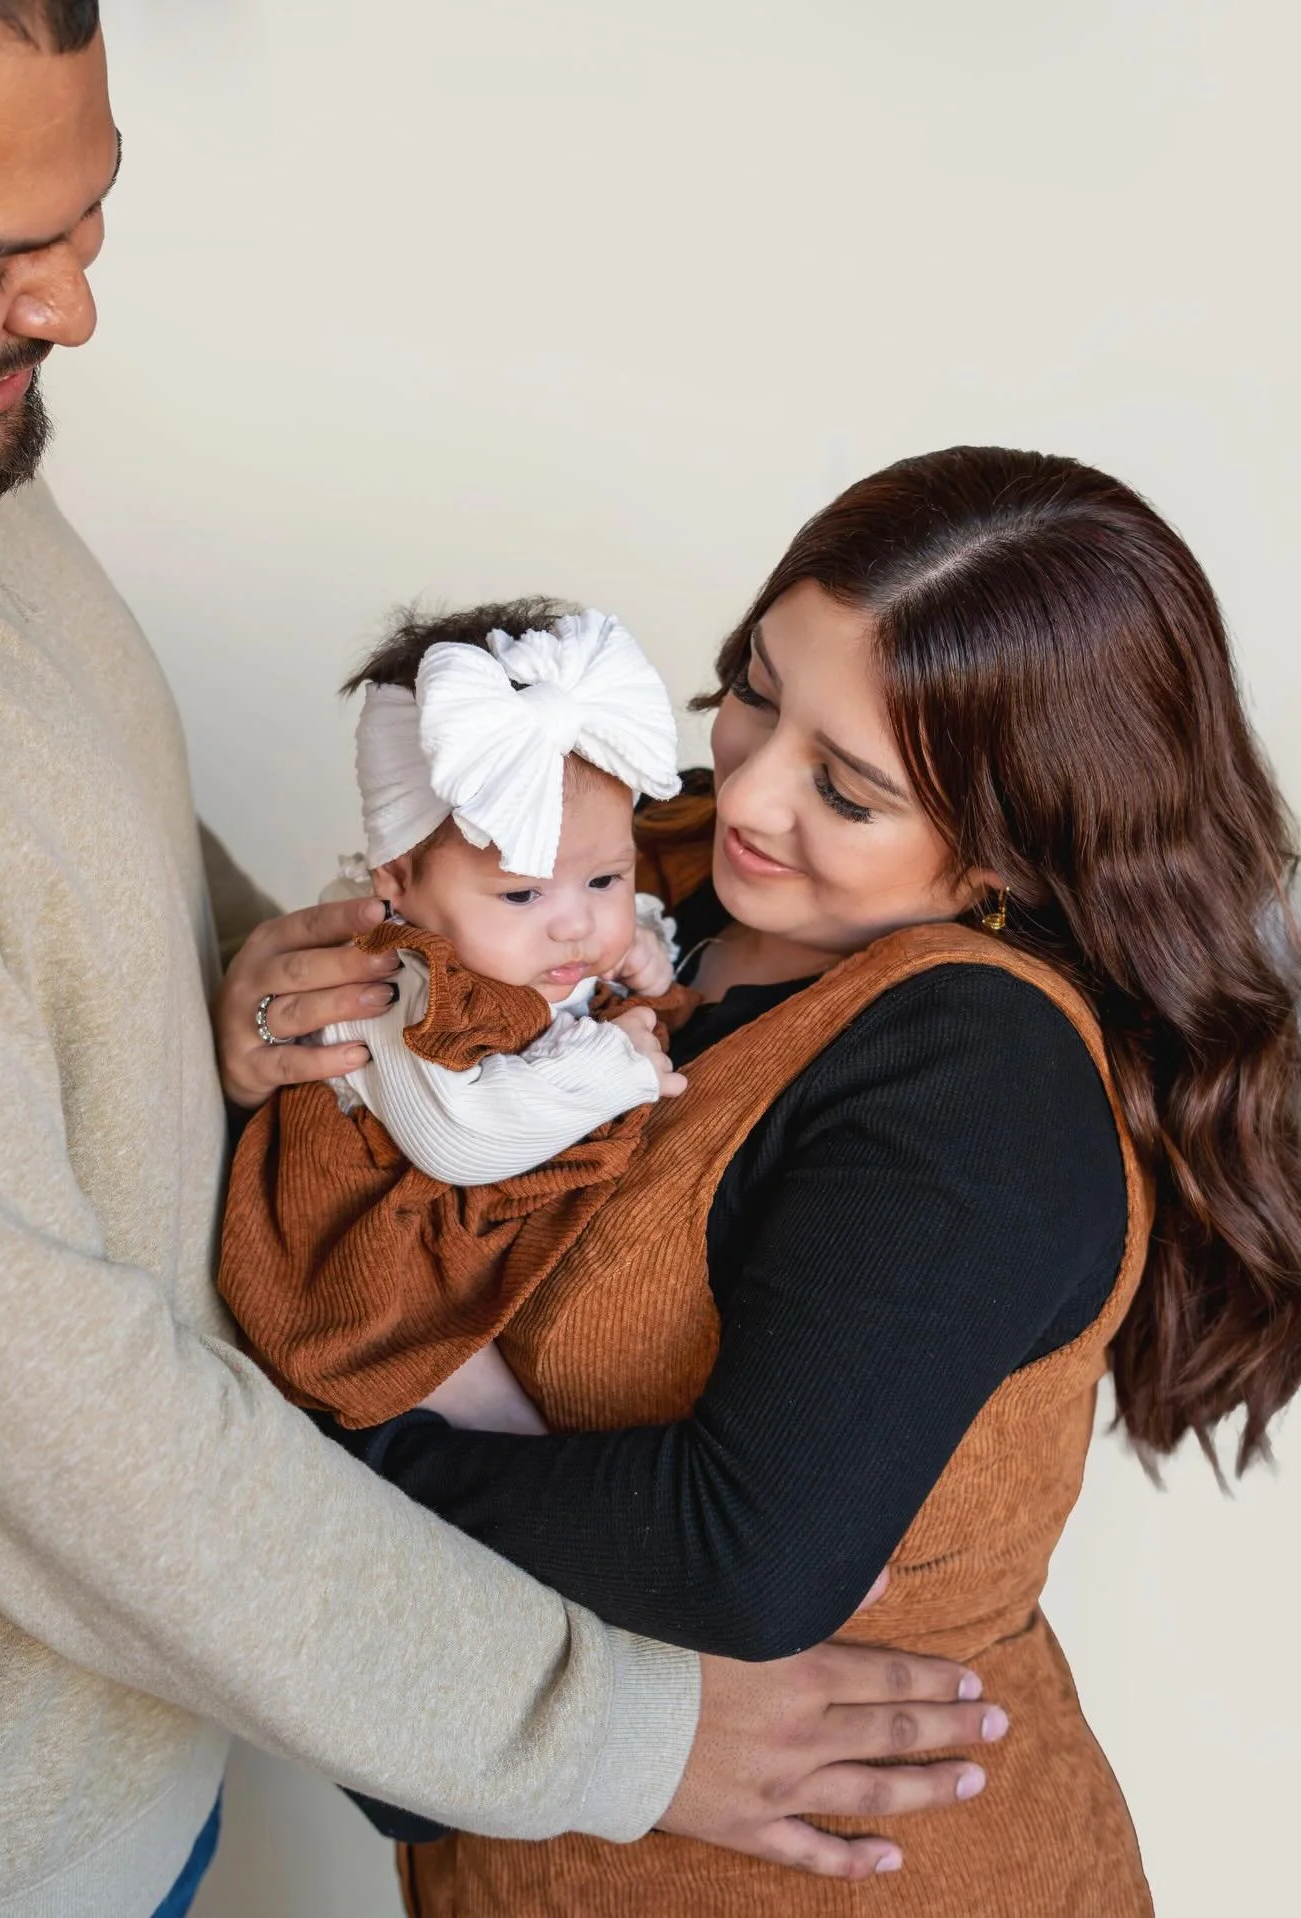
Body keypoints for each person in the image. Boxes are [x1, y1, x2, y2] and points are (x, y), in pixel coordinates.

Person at [0, 7, 1005, 1915]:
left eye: (88, 225)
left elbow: (63, 875)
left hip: (130, 1753)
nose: (66, 314)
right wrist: (614, 1725)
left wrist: (253, 986)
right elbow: (45, 1423)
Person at [221, 445, 1301, 1915]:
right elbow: (395, 1164)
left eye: (846, 790)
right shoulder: (648, 865)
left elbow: (740, 1556)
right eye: (754, 687)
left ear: (1010, 843)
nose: (747, 790)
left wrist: (284, 1472)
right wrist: (272, 1016)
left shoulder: (973, 1072)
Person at [220, 597, 698, 1435]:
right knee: (517, 1429)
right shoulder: (393, 974)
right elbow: (459, 1136)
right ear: (396, 879)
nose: (576, 924)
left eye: (605, 880)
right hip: (382, 1273)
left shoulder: (528, 943)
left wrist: (641, 938)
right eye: (522, 891)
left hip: (479, 1238)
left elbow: (583, 921)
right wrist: (615, 1063)